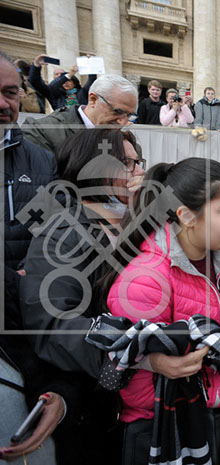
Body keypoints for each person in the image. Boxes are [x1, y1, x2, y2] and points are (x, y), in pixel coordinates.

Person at [102, 158, 220, 465]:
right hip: (164, 434)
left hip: (207, 418)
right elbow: (140, 392)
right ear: (187, 216)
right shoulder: (145, 280)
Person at [18, 128, 146, 464]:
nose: (138, 172)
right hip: (91, 403)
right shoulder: (63, 232)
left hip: (130, 402)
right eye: (127, 164)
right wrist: (132, 357)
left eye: (138, 162)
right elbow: (52, 324)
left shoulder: (132, 226)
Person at [0, 49, 61, 464]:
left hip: (24, 319)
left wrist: (33, 273)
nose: (3, 103)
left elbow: (52, 235)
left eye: (10, 92)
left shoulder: (40, 160)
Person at [22, 74, 138, 154]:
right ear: (93, 100)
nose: (123, 122)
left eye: (129, 115)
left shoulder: (129, 147)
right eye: (117, 112)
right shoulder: (42, 132)